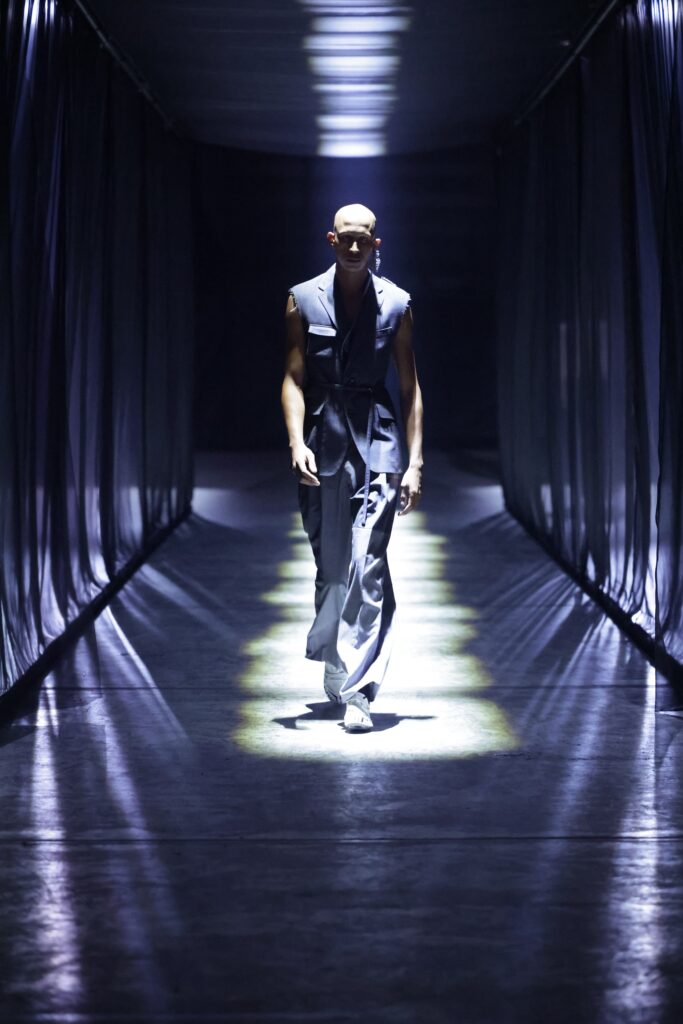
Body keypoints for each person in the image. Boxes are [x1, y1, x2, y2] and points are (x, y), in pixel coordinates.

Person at [281, 203, 423, 733]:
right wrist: (295, 440)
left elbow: (409, 386)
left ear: (377, 243)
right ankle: (335, 658)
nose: (356, 247)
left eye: (365, 239)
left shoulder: (397, 304)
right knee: (332, 563)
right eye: (347, 238)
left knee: (369, 563)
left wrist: (415, 462)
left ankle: (360, 691)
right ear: (332, 240)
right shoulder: (302, 298)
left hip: (378, 438)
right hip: (323, 437)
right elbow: (293, 377)